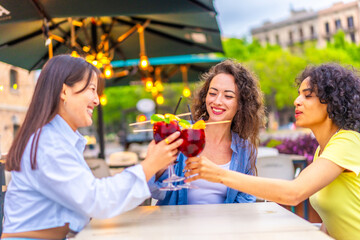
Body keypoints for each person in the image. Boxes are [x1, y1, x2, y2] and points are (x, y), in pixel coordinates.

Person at [2, 55, 183, 240]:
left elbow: (93, 199)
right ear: (64, 91)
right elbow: (97, 200)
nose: (97, 100)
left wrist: (152, 167)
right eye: (92, 89)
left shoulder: (58, 139)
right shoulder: (48, 143)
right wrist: (149, 166)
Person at [185, 63, 360, 240]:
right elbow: (334, 219)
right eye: (299, 94)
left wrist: (218, 174)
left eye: (308, 96)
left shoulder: (348, 142)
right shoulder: (322, 150)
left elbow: (293, 193)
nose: (296, 101)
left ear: (333, 103)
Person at [149, 59, 265, 205]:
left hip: (223, 225)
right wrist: (159, 169)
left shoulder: (244, 149)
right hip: (177, 224)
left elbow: (246, 198)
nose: (217, 101)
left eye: (228, 96)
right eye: (213, 93)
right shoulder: (183, 133)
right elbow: (155, 192)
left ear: (241, 104)